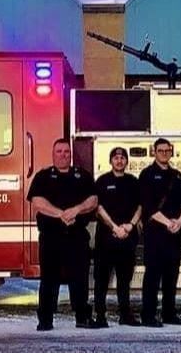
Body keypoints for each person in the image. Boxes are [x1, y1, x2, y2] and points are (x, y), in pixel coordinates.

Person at [27, 138, 100, 331]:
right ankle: (45, 320)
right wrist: (62, 214)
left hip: (76, 236)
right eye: (59, 151)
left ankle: (83, 318)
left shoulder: (82, 175)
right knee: (49, 279)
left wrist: (76, 210)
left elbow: (93, 200)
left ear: (71, 154)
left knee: (80, 279)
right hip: (51, 237)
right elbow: (37, 202)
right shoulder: (43, 176)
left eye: (66, 151)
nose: (63, 155)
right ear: (53, 154)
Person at [139, 138, 181, 327]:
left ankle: (169, 313)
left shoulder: (177, 176)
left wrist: (180, 221)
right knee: (152, 275)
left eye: (168, 150)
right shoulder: (147, 175)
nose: (165, 153)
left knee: (171, 275)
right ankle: (148, 315)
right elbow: (148, 206)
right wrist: (168, 222)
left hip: (174, 234)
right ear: (154, 152)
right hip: (156, 233)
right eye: (161, 151)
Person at [92, 147, 143, 328]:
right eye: (116, 158)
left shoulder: (133, 182)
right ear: (110, 161)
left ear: (126, 161)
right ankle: (100, 316)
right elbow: (98, 208)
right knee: (102, 280)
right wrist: (114, 227)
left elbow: (140, 207)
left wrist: (130, 226)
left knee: (124, 280)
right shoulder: (102, 181)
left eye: (122, 158)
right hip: (107, 237)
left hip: (127, 237)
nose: (119, 161)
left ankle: (125, 315)